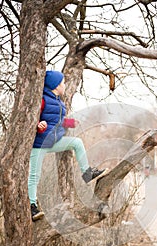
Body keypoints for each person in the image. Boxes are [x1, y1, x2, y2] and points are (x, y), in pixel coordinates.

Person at [28, 70, 106, 221]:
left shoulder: (59, 102)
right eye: (63, 82)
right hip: (39, 144)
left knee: (77, 143)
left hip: (53, 142)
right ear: (56, 86)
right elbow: (32, 118)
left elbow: (58, 122)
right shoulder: (43, 100)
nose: (65, 85)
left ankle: (87, 173)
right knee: (34, 175)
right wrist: (39, 125)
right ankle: (32, 206)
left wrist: (71, 123)